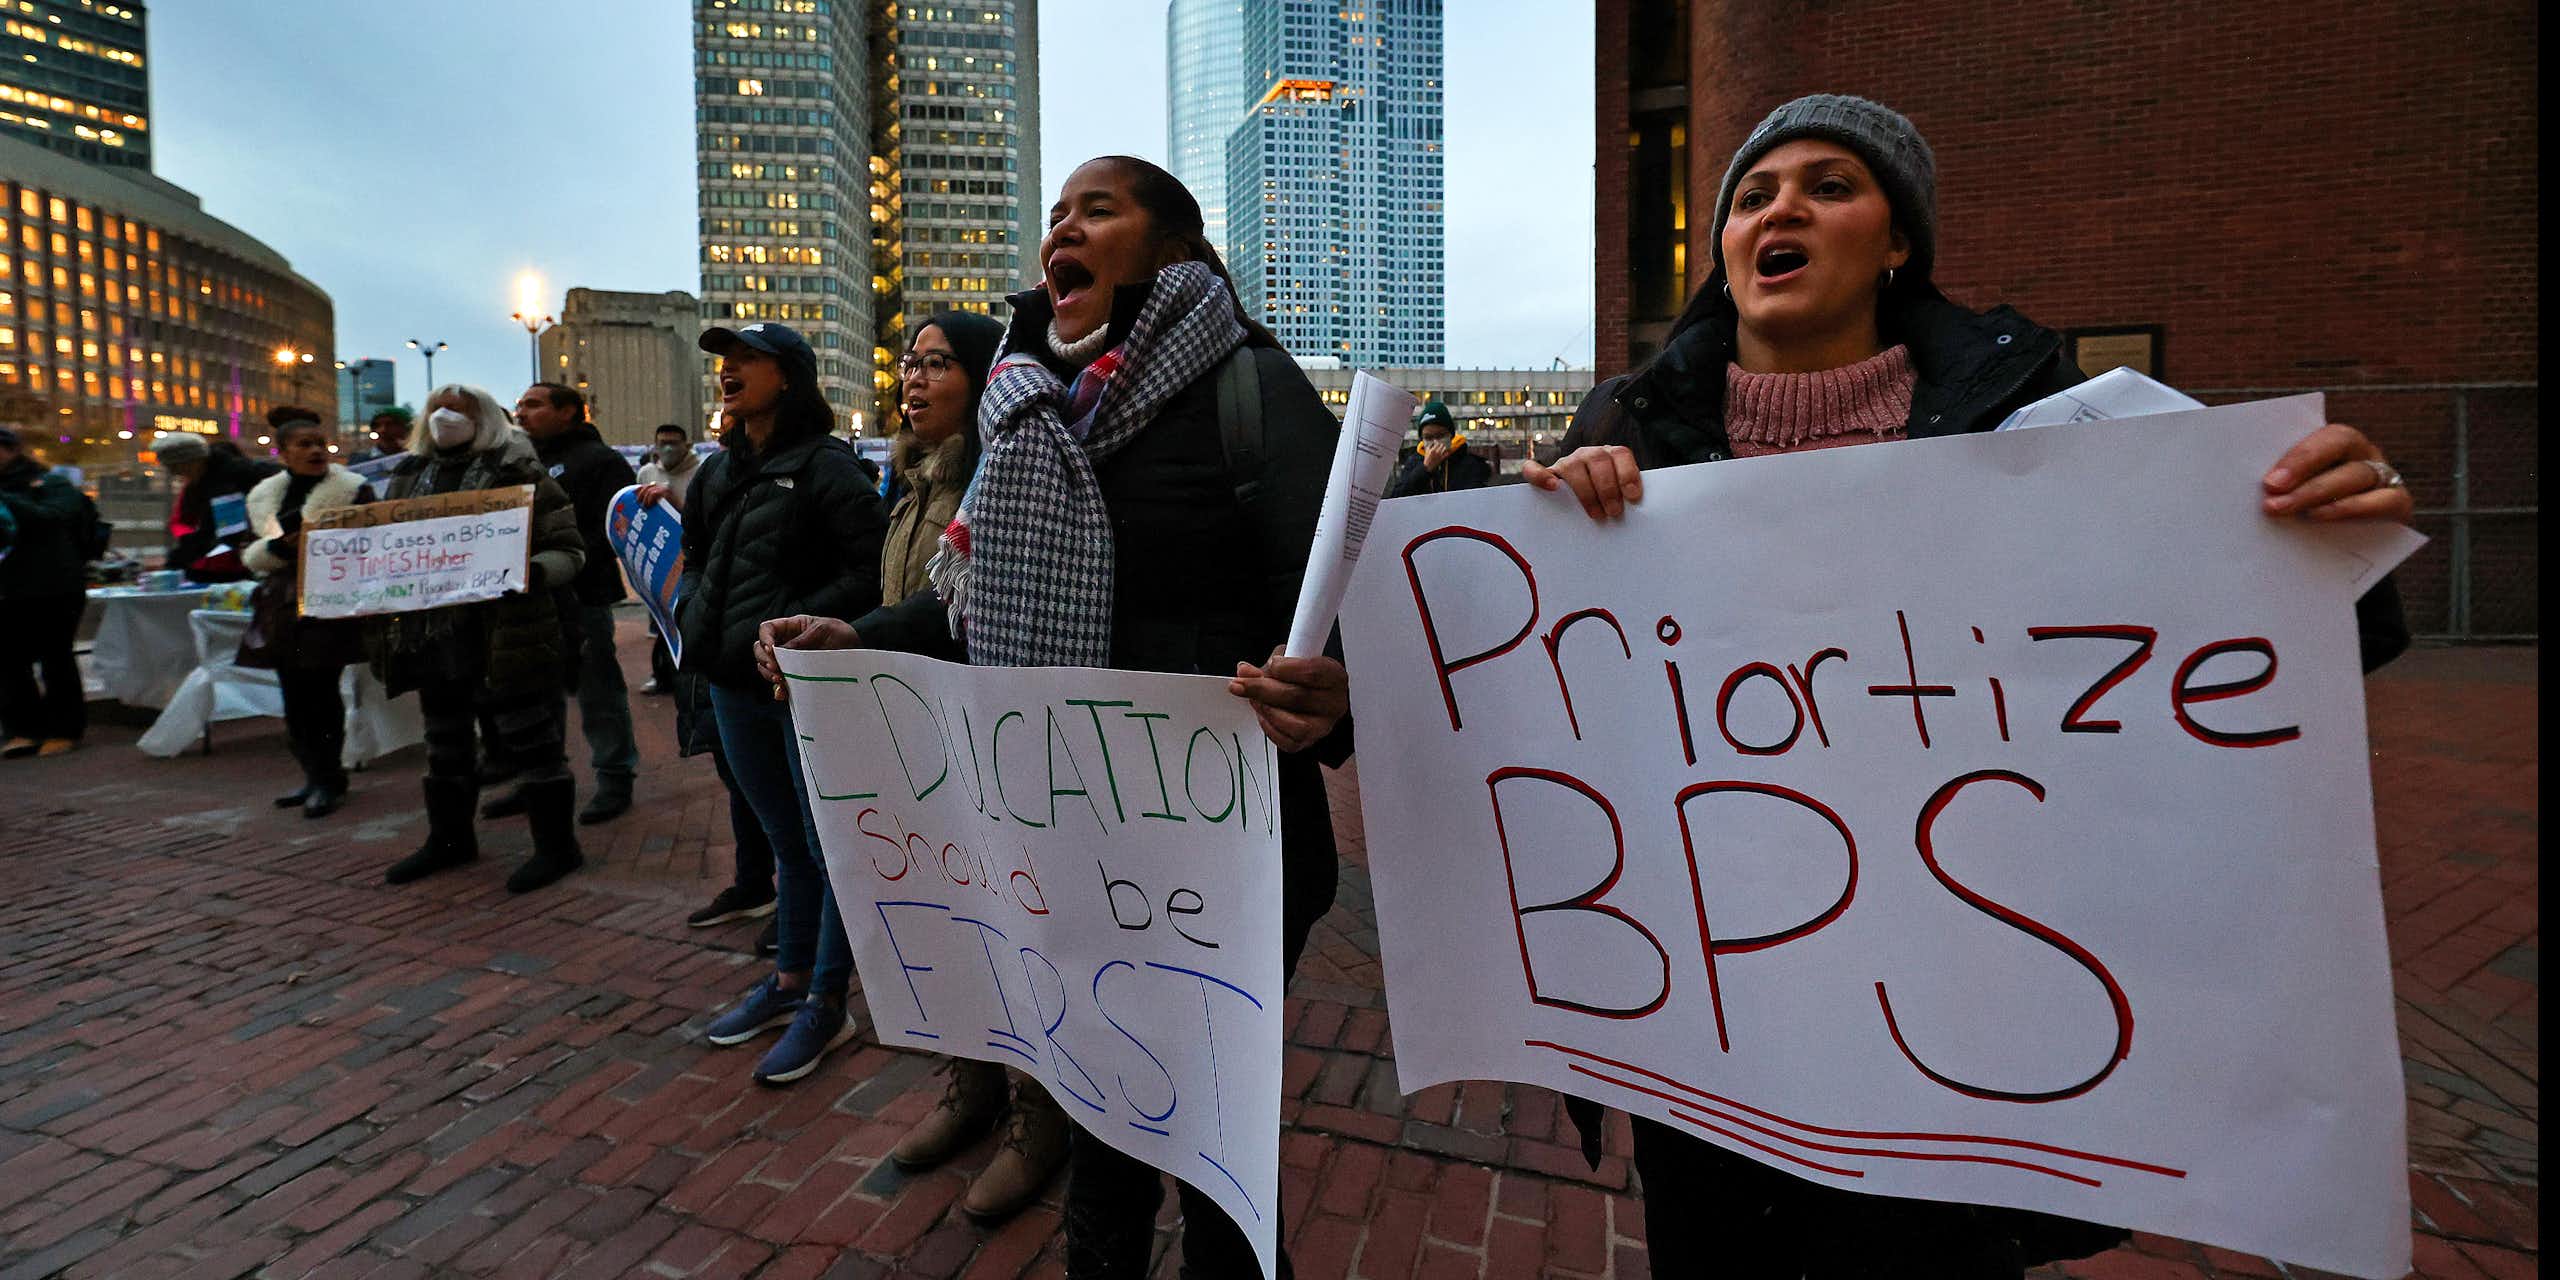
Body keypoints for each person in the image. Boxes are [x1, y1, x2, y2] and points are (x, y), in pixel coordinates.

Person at [1527, 92, 2415, 1280]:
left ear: (1898, 240)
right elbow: (1542, 699)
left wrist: (2328, 532)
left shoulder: (2030, 415)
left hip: (1961, 1021)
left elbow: (2289, 648)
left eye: (1830, 186)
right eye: (1751, 196)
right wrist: (1557, 531)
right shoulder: (1628, 430)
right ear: (1726, 247)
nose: (1781, 210)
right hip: (1719, 1013)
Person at [758, 156, 1353, 1278]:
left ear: (1171, 249)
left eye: (1097, 210)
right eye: (1054, 215)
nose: (1061, 232)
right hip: (1067, 839)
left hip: (1220, 852)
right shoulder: (1024, 402)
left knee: (1213, 1132)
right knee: (1097, 1111)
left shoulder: (1253, 389)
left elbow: (1341, 608)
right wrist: (861, 638)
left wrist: (1333, 695)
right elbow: (972, 603)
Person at [665, 320, 887, 1087]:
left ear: (788, 376)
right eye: (725, 361)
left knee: (827, 851)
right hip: (732, 685)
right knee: (785, 842)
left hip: (803, 688)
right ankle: (790, 981)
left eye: (748, 359)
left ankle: (828, 1000)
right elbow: (695, 556)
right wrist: (696, 611)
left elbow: (872, 571)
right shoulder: (717, 472)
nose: (729, 370)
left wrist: (799, 625)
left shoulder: (827, 468)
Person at [372, 383, 591, 893]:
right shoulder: (408, 474)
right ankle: (449, 841)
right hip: (433, 636)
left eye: (460, 410)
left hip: (505, 632)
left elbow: (568, 548)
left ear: (485, 419)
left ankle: (557, 848)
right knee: (444, 742)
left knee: (532, 742)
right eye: (438, 408)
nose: (445, 417)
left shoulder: (517, 472)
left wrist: (530, 573)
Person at [497, 382, 640, 826]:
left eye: (534, 404)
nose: (522, 413)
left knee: (597, 689)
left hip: (582, 594)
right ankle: (540, 777)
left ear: (568, 412)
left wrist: (562, 560)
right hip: (528, 598)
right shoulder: (518, 462)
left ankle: (615, 775)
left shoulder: (599, 461)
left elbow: (615, 527)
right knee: (538, 693)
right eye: (520, 405)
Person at [238, 416, 373, 817]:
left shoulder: (353, 489)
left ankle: (329, 778)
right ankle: (314, 776)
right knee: (293, 697)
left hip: (328, 603)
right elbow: (252, 549)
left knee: (321, 693)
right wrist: (279, 550)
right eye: (304, 444)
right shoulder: (264, 496)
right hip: (282, 606)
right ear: (282, 453)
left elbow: (371, 541)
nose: (316, 451)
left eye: (320, 443)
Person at [0, 425, 90, 759]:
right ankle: (22, 729)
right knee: (9, 660)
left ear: (11, 450)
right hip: (7, 586)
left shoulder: (51, 482)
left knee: (56, 656)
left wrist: (7, 500)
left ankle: (64, 729)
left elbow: (55, 517)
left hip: (54, 585)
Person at [156, 426, 278, 582]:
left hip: (253, 554)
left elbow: (221, 532)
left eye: (177, 469)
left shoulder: (229, 480)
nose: (177, 475)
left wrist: (177, 562)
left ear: (192, 461)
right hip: (239, 553)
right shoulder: (202, 483)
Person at [635, 422, 702, 695]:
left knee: (686, 619)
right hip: (659, 556)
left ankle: (688, 678)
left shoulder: (700, 473)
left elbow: (702, 521)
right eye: (663, 443)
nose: (668, 448)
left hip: (691, 557)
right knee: (662, 621)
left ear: (687, 445)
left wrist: (674, 503)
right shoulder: (647, 473)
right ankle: (662, 674)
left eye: (674, 443)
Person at [1386, 399, 1494, 498]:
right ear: (1422, 439)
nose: (1435, 443)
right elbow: (1397, 498)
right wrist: (1425, 469)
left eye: (1440, 436)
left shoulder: (1470, 463)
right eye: (1428, 437)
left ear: (1451, 436)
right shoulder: (1413, 463)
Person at [348, 409, 413, 464]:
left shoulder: (413, 458)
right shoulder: (359, 459)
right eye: (377, 425)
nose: (381, 430)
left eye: (390, 425)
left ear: (405, 429)